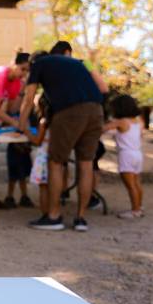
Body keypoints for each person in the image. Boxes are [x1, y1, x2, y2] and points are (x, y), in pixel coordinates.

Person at [19, 48, 108, 232]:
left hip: (70, 112)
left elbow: (29, 98)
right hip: (96, 110)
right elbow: (101, 87)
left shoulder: (39, 64)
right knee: (86, 163)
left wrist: (22, 123)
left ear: (33, 63)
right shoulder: (76, 62)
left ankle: (53, 216)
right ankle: (81, 218)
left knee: (56, 162)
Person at [50, 40, 108, 209]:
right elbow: (103, 88)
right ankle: (86, 202)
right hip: (93, 115)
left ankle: (61, 196)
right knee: (87, 162)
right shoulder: (83, 64)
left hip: (68, 117)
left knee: (60, 160)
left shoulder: (57, 69)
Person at [104, 95, 144, 219]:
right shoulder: (138, 121)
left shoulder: (121, 122)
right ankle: (139, 206)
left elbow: (102, 129)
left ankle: (135, 211)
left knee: (130, 185)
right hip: (137, 153)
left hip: (126, 154)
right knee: (137, 183)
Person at [25, 94, 52, 223]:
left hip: (43, 157)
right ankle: (53, 213)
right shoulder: (57, 120)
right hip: (54, 157)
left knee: (43, 188)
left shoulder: (43, 122)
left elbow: (37, 141)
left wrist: (27, 133)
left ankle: (45, 214)